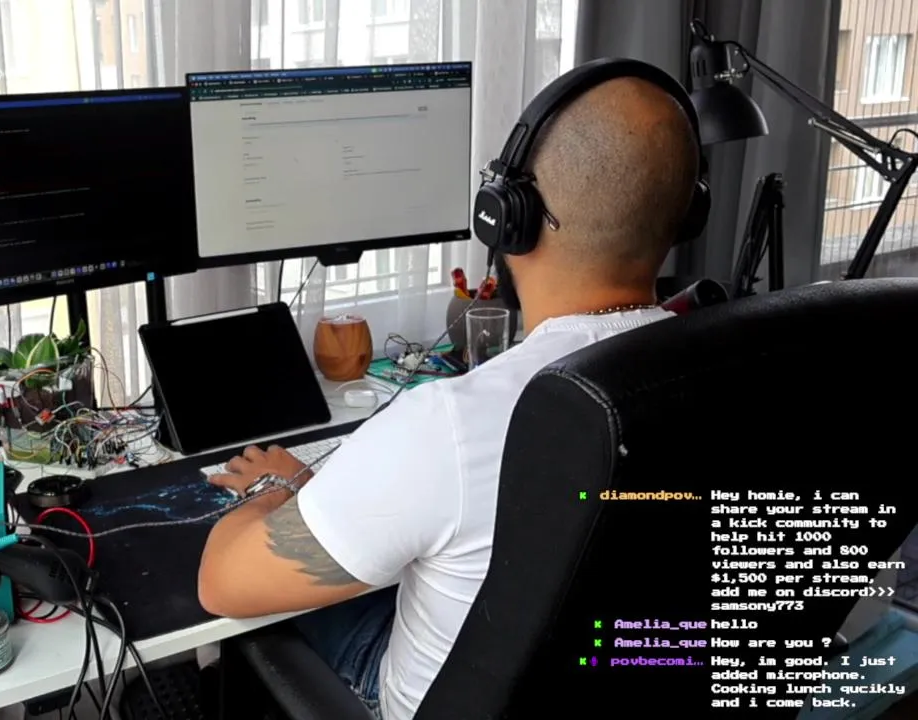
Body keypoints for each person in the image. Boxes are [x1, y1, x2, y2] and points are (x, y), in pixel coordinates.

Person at [197, 73, 701, 720]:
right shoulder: (738, 375)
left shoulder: (450, 424)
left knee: (252, 626)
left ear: (508, 216)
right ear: (686, 215)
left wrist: (276, 489)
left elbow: (221, 583)